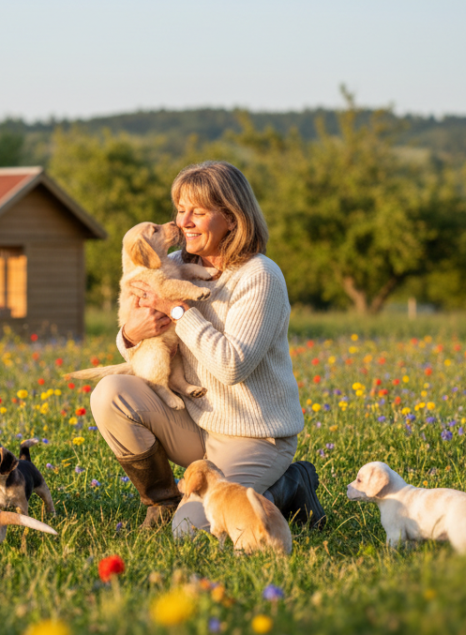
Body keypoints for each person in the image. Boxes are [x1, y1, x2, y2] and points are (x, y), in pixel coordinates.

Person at [89, 161, 325, 535]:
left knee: (192, 532)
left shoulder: (259, 276)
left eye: (198, 212)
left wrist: (179, 310)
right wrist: (130, 336)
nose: (184, 222)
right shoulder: (172, 265)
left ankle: (289, 484)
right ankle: (163, 502)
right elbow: (148, 346)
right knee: (110, 394)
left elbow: (232, 366)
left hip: (254, 434)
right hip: (197, 424)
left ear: (231, 218)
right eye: (181, 210)